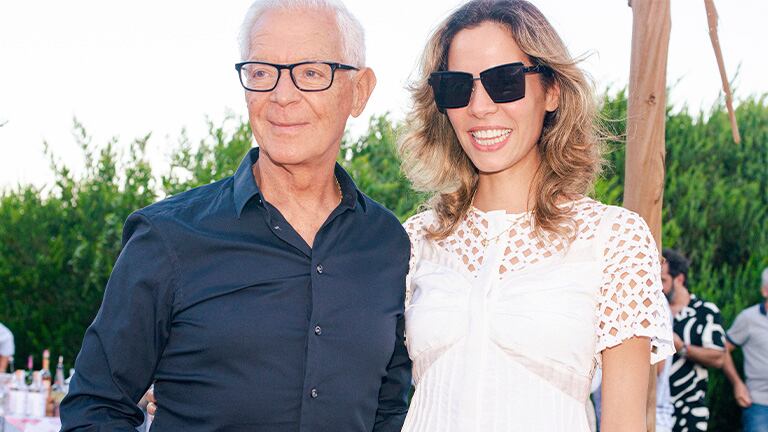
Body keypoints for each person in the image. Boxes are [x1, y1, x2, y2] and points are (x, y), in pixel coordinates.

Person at [59, 0, 412, 430]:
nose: (282, 96)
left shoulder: (389, 243)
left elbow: (391, 410)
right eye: (262, 73)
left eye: (311, 73)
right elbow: (94, 408)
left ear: (360, 92)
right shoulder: (168, 237)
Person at [397, 1, 674, 430]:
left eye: (504, 82)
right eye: (456, 86)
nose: (480, 107)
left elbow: (625, 423)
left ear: (552, 91)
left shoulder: (612, 239)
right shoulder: (414, 241)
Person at [661, 248, 725, 432]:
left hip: (689, 410)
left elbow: (718, 357)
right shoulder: (654, 312)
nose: (658, 286)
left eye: (663, 280)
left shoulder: (705, 311)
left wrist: (682, 348)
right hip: (652, 408)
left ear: (679, 279)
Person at [723, 267, 768, 432]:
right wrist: (737, 384)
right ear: (764, 291)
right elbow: (723, 349)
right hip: (759, 404)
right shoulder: (749, 318)